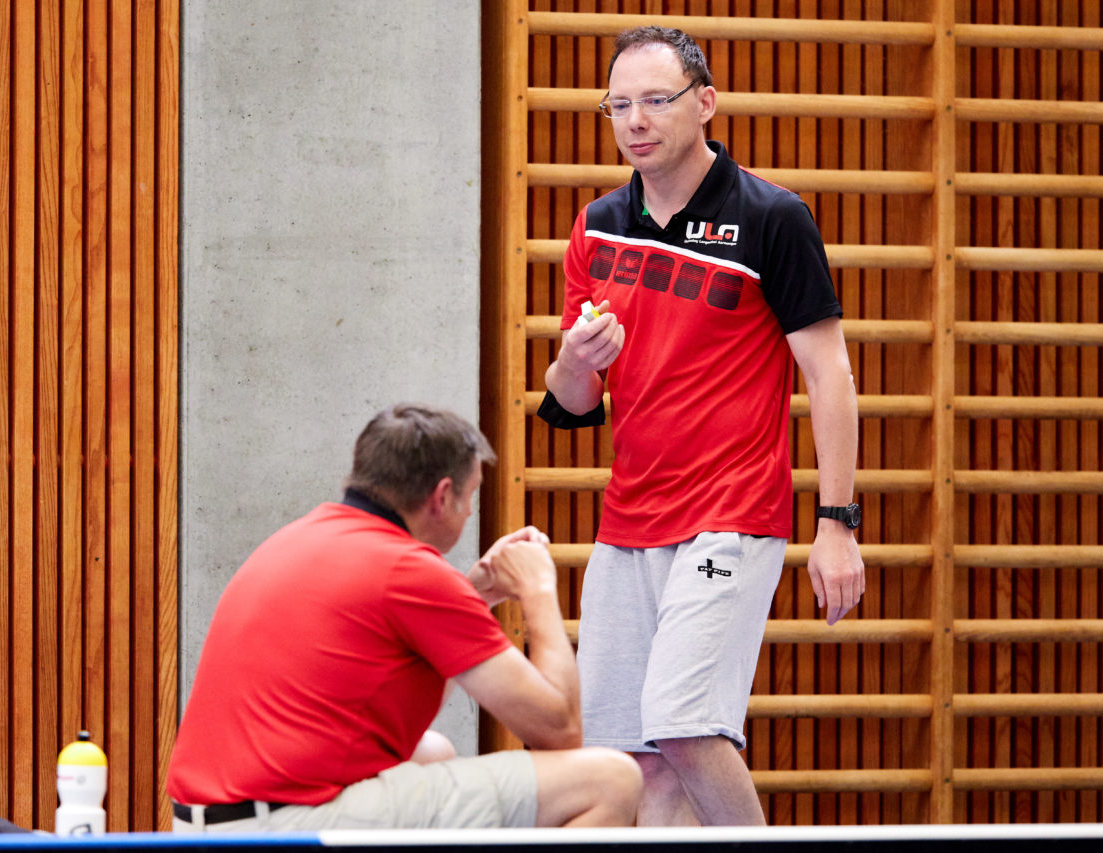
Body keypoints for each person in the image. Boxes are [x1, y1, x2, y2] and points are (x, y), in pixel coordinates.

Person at [539, 26, 865, 826]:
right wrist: (578, 360)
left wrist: (837, 523)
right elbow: (570, 401)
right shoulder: (598, 226)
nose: (635, 120)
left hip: (730, 516)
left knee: (686, 724)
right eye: (619, 105)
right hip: (629, 524)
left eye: (656, 100)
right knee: (637, 761)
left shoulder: (772, 218)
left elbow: (829, 373)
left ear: (706, 104)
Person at [166, 404, 641, 831]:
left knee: (432, 752)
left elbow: (387, 663)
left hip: (204, 821)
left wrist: (472, 593)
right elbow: (558, 730)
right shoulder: (411, 571)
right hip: (285, 824)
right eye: (471, 496)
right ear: (441, 496)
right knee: (611, 779)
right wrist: (538, 590)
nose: (471, 510)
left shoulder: (303, 536)